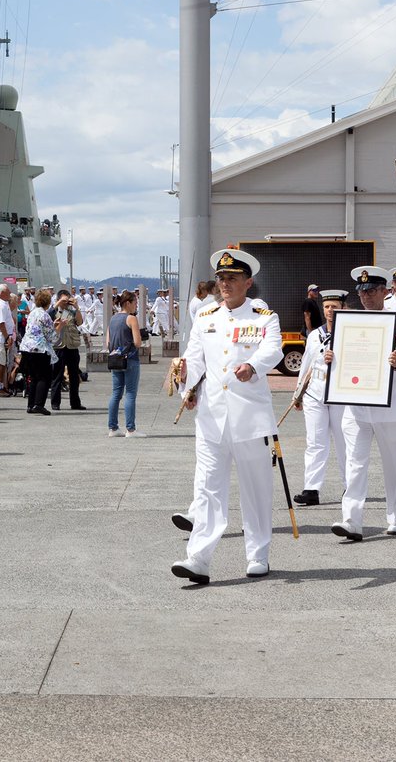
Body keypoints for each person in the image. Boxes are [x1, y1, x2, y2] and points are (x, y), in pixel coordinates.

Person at [170, 248, 282, 584]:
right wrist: (186, 391)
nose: (224, 284)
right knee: (207, 489)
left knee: (256, 488)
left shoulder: (263, 317)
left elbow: (273, 349)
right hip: (211, 417)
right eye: (221, 278)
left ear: (248, 282)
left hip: (251, 418)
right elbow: (194, 360)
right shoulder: (206, 319)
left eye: (232, 278)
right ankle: (198, 559)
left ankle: (257, 553)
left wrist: (253, 366)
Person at [330, 267, 396, 540]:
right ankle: (351, 519)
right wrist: (331, 357)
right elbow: (338, 355)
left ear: (385, 291)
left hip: (389, 404)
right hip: (357, 404)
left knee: (393, 464)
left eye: (371, 291)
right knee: (355, 463)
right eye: (362, 292)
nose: (365, 297)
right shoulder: (350, 323)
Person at [291, 289, 349, 506]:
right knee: (315, 442)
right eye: (326, 307)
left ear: (343, 307)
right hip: (315, 392)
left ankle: (349, 486)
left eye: (335, 306)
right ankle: (311, 489)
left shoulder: (351, 331)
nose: (330, 311)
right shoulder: (315, 334)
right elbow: (306, 364)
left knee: (344, 443)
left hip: (340, 393)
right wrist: (298, 394)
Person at [106, 290, 145, 438]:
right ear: (128, 303)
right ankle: (131, 429)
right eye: (135, 302)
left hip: (115, 359)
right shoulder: (131, 319)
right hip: (130, 359)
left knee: (116, 393)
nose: (136, 306)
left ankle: (113, 428)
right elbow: (137, 342)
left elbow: (108, 342)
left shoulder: (113, 319)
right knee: (130, 394)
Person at [19, 289, 57, 415]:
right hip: (39, 349)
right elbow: (52, 337)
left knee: (33, 377)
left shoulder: (32, 313)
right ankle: (39, 404)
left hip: (27, 347)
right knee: (44, 377)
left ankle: (31, 405)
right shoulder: (45, 315)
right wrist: (59, 327)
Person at [50, 290, 85, 411]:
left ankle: (75, 402)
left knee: (74, 376)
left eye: (68, 300)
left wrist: (77, 307)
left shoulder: (72, 312)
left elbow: (80, 322)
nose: (66, 302)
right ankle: (55, 403)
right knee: (57, 376)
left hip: (71, 347)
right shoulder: (54, 311)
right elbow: (47, 315)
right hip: (59, 347)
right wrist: (58, 303)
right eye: (64, 300)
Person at [0, 283, 15, 396]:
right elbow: (1, 324)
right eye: (8, 291)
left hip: (3, 337)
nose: (10, 293)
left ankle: (1, 386)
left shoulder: (3, 304)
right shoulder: (0, 305)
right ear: (2, 293)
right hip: (0, 337)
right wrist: (7, 337)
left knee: (2, 363)